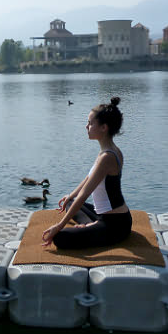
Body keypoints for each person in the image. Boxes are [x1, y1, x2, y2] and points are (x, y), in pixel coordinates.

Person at [42, 97, 132, 249]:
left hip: (115, 225)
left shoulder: (107, 157)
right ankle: (92, 225)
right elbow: (89, 178)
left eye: (90, 123)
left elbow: (84, 194)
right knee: (69, 202)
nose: (86, 126)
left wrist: (59, 226)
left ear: (104, 127)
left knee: (60, 238)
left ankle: (92, 226)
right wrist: (71, 195)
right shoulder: (108, 150)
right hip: (107, 216)